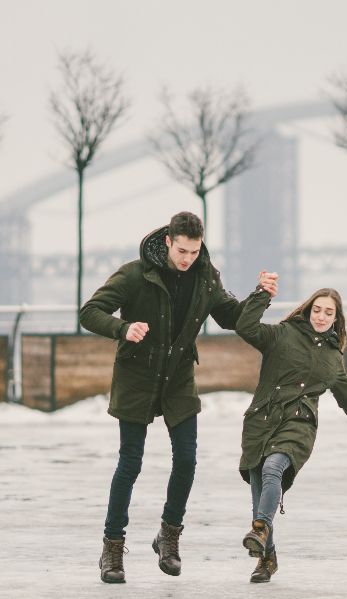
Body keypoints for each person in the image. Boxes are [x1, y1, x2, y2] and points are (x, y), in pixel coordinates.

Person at [80, 211, 278, 584]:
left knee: (187, 459)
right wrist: (123, 328)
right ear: (168, 242)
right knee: (130, 463)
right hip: (137, 376)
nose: (187, 258)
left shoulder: (205, 276)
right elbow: (89, 312)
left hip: (179, 379)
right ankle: (112, 547)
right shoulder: (135, 274)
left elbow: (231, 317)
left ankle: (168, 537)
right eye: (182, 250)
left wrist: (260, 297)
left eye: (194, 251)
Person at [235, 280, 347, 583]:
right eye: (318, 310)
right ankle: (267, 558)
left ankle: (258, 529)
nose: (321, 316)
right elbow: (245, 326)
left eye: (329, 313)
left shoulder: (333, 359)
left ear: (336, 319)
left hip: (298, 427)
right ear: (309, 310)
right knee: (260, 495)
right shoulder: (281, 335)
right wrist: (261, 295)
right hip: (262, 422)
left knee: (273, 469)